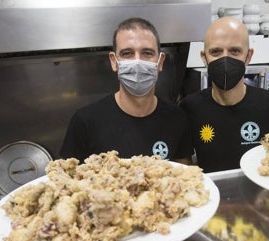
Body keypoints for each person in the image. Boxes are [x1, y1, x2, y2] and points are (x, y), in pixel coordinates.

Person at [60, 17, 192, 164]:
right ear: (113, 61)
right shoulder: (85, 121)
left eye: (147, 53)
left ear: (160, 62)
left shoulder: (177, 119)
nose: (137, 62)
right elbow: (66, 180)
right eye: (127, 53)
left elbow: (185, 178)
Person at [180, 16, 269, 173]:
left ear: (248, 56)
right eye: (216, 51)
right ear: (204, 58)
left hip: (263, 197)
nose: (225, 58)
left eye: (234, 51)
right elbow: (186, 169)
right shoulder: (189, 109)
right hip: (213, 196)